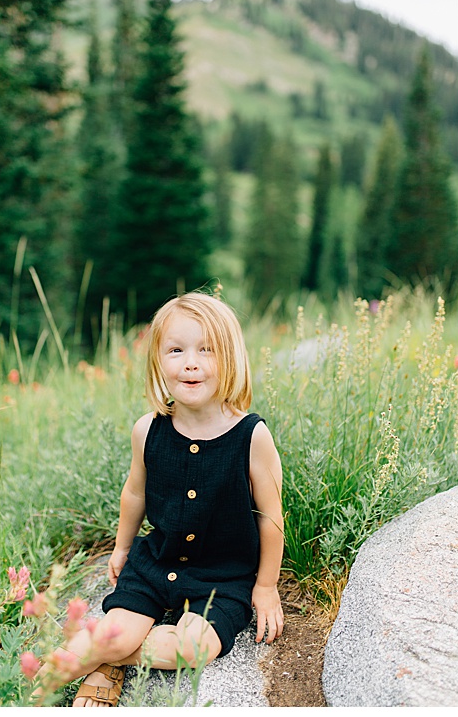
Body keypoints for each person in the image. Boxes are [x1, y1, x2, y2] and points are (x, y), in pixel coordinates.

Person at [37, 292, 285, 707]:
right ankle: (26, 687)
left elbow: (271, 516)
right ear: (158, 361)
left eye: (207, 350)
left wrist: (266, 585)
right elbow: (134, 491)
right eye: (176, 350)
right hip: (157, 562)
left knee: (192, 649)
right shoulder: (148, 429)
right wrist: (121, 547)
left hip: (222, 578)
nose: (191, 362)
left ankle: (110, 656)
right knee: (116, 630)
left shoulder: (251, 436)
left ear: (231, 359)